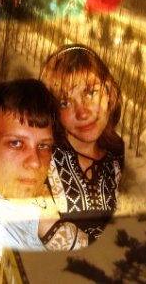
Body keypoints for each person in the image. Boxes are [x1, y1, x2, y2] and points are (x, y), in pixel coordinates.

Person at [0, 79, 89, 251]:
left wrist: (51, 227)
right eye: (16, 143)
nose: (35, 162)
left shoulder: (30, 210)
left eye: (43, 146)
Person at [40, 44, 124, 243]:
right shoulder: (41, 163)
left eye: (90, 92)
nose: (83, 113)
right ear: (54, 112)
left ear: (109, 92)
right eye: (65, 103)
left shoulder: (117, 159)